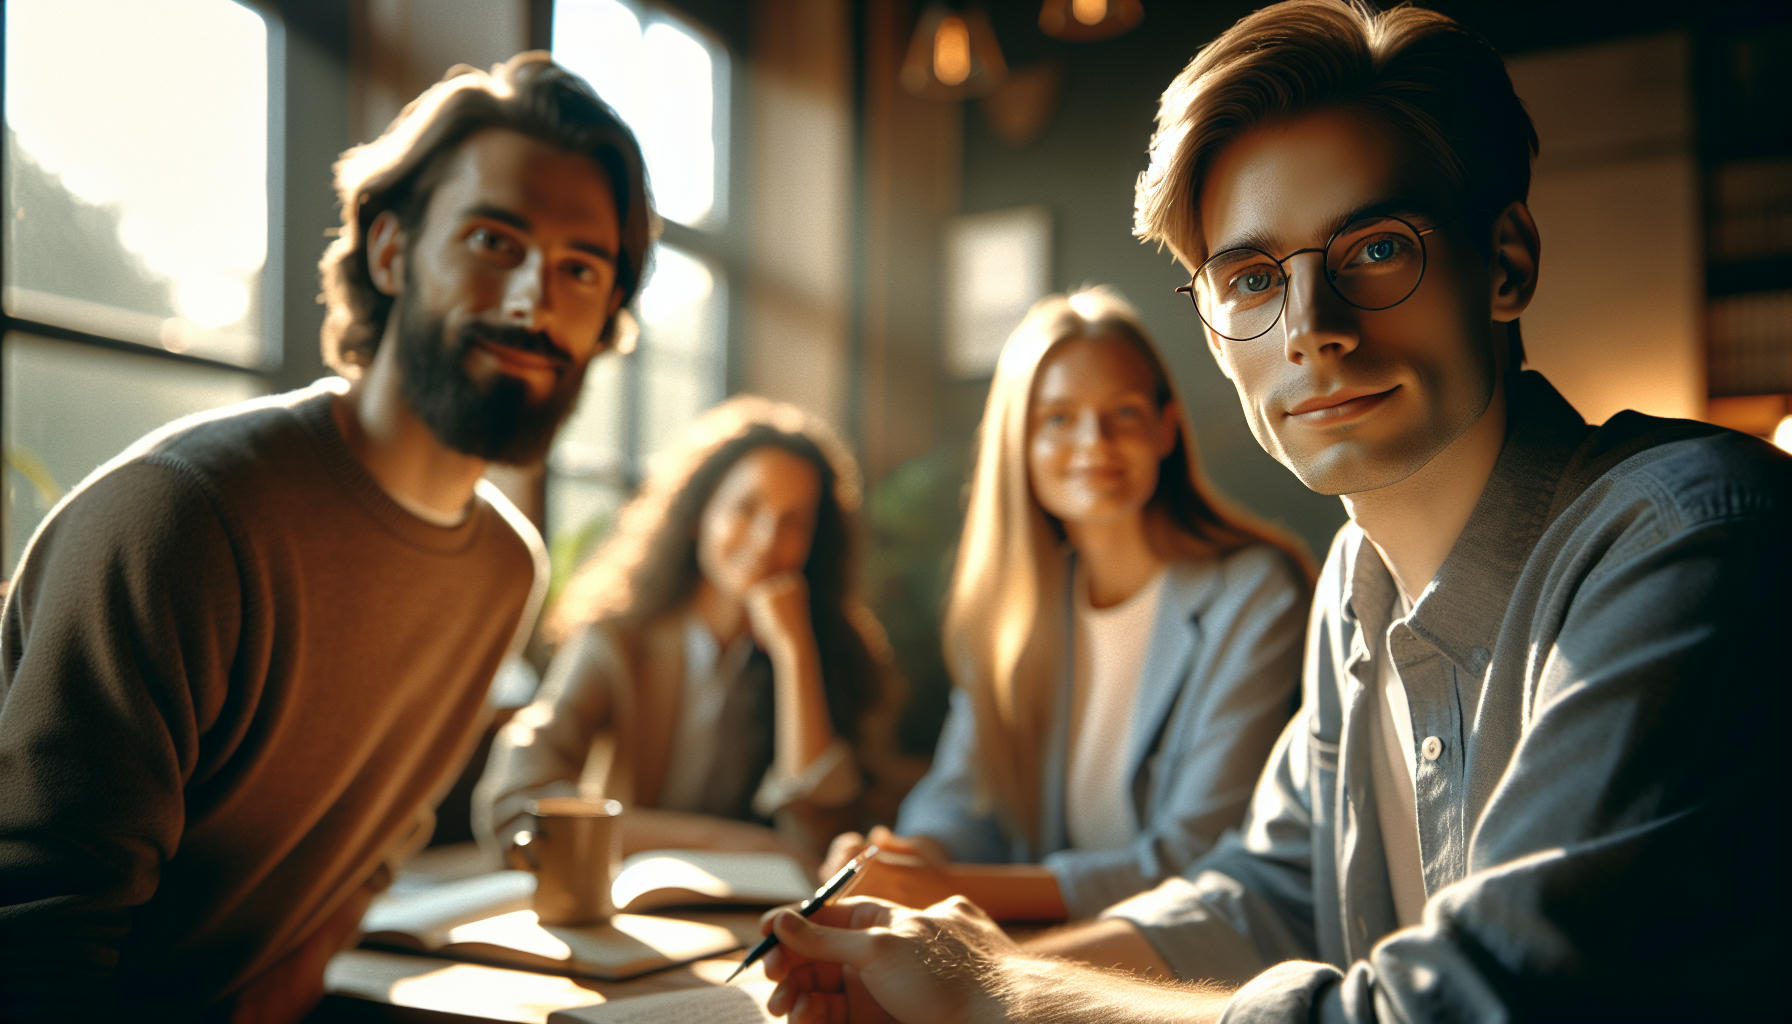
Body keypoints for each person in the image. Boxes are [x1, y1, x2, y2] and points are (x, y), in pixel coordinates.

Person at [753, 1, 1792, 1020]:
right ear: (1212, 332)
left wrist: (1010, 990)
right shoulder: (1351, 579)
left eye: (1376, 247)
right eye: (1250, 277)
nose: (1310, 329)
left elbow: (1474, 1001)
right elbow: (1267, 890)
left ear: (1505, 261)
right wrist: (916, 971)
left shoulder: (1692, 540)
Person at [0, 52, 653, 1020]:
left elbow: (361, 862)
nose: (532, 301)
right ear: (390, 252)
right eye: (492, 239)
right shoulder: (180, 515)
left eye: (580, 268)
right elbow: (36, 945)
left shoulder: (505, 570)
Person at [822, 287, 1310, 922]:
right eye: (1057, 418)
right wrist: (902, 857)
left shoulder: (1254, 593)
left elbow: (1198, 854)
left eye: (1124, 414)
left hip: (1192, 969)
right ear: (1017, 444)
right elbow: (961, 801)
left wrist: (937, 889)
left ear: (1166, 429)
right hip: (1043, 953)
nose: (1093, 443)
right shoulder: (1014, 607)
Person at [474, 394, 906, 868]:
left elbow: (821, 841)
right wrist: (729, 842)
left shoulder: (829, 654)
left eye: (793, 522)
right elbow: (515, 804)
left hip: (759, 915)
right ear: (702, 514)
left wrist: (795, 654)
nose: (766, 540)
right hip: (632, 906)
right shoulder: (616, 639)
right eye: (746, 507)